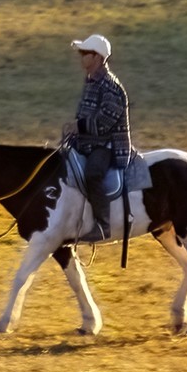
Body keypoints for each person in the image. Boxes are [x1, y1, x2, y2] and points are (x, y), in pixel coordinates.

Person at [64, 34, 131, 241]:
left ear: (98, 58)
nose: (81, 57)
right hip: (88, 142)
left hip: (107, 146)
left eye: (85, 53)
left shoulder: (111, 87)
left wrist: (78, 126)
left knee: (93, 173)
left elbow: (103, 124)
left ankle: (103, 225)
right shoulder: (92, 82)